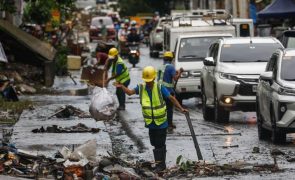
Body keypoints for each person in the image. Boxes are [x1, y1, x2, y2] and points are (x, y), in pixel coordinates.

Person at [114, 66, 188, 172]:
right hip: (150, 123)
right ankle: (160, 164)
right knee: (154, 143)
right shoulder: (141, 87)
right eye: (147, 81)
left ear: (153, 78)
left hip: (161, 122)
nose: (148, 83)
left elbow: (171, 98)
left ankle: (161, 166)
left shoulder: (159, 87)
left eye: (150, 81)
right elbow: (130, 93)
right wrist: (121, 86)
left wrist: (181, 108)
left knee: (159, 143)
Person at [158, 51, 184, 131]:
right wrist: (180, 72)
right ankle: (169, 124)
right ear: (171, 59)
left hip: (160, 90)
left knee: (162, 108)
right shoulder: (171, 67)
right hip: (168, 90)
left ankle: (163, 123)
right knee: (169, 108)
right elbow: (175, 78)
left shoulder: (161, 67)